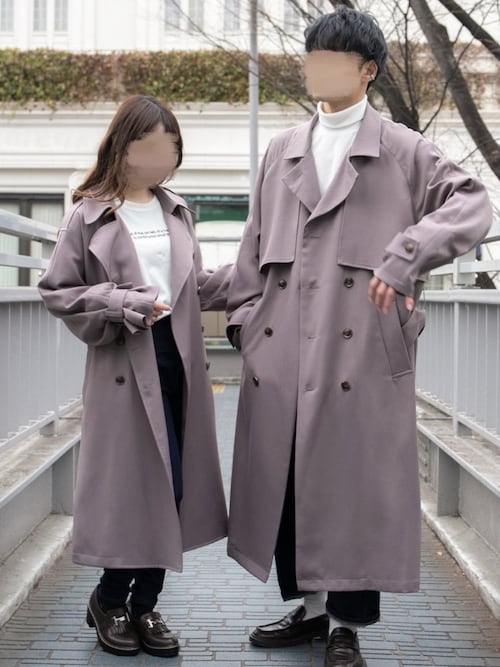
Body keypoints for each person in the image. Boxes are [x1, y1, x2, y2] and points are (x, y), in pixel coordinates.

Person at [225, 8, 492, 667]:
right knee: (291, 478)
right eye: (311, 57)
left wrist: (407, 254)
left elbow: (472, 202)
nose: (315, 69)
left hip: (362, 349)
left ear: (368, 70)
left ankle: (346, 624)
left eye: (332, 59)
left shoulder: (403, 148)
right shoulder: (282, 148)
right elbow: (253, 245)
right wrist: (244, 322)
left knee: (353, 483)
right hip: (283, 346)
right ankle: (312, 611)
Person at [38, 95, 231, 659]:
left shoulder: (177, 210)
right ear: (123, 147)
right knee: (137, 491)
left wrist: (261, 276)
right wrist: (122, 302)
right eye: (151, 145)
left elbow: (193, 285)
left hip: (179, 360)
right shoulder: (89, 213)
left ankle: (142, 605)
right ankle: (110, 600)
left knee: (173, 488)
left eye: (171, 147)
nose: (163, 157)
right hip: (125, 362)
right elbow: (58, 291)